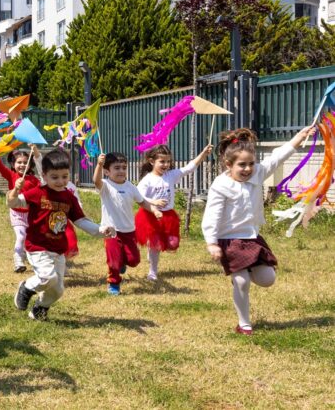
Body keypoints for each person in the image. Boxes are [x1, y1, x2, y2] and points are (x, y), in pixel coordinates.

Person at [202, 125, 313, 335]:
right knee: (243, 282)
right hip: (229, 239)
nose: (247, 169)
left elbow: (278, 156)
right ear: (228, 164)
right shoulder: (221, 185)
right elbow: (212, 215)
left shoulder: (258, 174)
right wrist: (212, 242)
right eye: (241, 165)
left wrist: (300, 137)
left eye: (251, 164)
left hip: (252, 238)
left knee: (267, 279)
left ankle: (243, 271)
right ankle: (244, 323)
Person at [11, 149, 115, 321]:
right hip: (38, 247)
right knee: (47, 277)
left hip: (58, 250)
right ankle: (26, 287)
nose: (60, 181)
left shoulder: (69, 197)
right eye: (55, 177)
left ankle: (39, 309)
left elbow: (81, 220)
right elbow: (13, 202)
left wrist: (100, 230)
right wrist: (15, 191)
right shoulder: (38, 193)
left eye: (65, 176)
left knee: (58, 290)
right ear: (44, 175)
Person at [136, 143, 213, 281]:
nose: (166, 164)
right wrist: (154, 202)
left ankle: (153, 250)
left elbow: (189, 168)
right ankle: (152, 271)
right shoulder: (147, 179)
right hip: (151, 215)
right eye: (162, 161)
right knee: (156, 244)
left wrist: (203, 153)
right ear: (152, 161)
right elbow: (139, 196)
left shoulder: (170, 175)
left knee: (172, 244)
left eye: (168, 161)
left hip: (168, 216)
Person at [94, 152, 156, 295]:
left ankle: (122, 264)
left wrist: (154, 210)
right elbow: (96, 180)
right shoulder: (105, 185)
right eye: (117, 168)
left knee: (134, 260)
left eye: (124, 167)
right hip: (111, 231)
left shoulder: (130, 187)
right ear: (107, 171)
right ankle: (114, 284)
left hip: (129, 231)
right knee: (114, 260)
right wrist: (99, 164)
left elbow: (142, 202)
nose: (121, 171)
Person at [0, 149, 36, 273]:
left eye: (25, 162)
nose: (22, 165)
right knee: (21, 235)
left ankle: (30, 257)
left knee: (29, 238)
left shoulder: (34, 180)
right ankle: (18, 260)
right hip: (16, 214)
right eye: (19, 162)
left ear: (30, 165)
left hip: (30, 214)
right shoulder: (11, 175)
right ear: (13, 164)